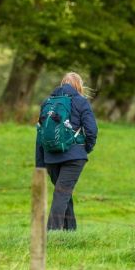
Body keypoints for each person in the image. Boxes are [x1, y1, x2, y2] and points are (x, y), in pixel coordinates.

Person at [35, 72, 98, 230]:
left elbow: (41, 131)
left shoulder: (47, 102)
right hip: (74, 156)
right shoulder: (81, 102)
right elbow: (92, 130)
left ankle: (70, 231)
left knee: (62, 192)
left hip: (50, 156)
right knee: (62, 193)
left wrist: (40, 162)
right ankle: (53, 231)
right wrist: (86, 149)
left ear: (62, 83)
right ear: (79, 86)